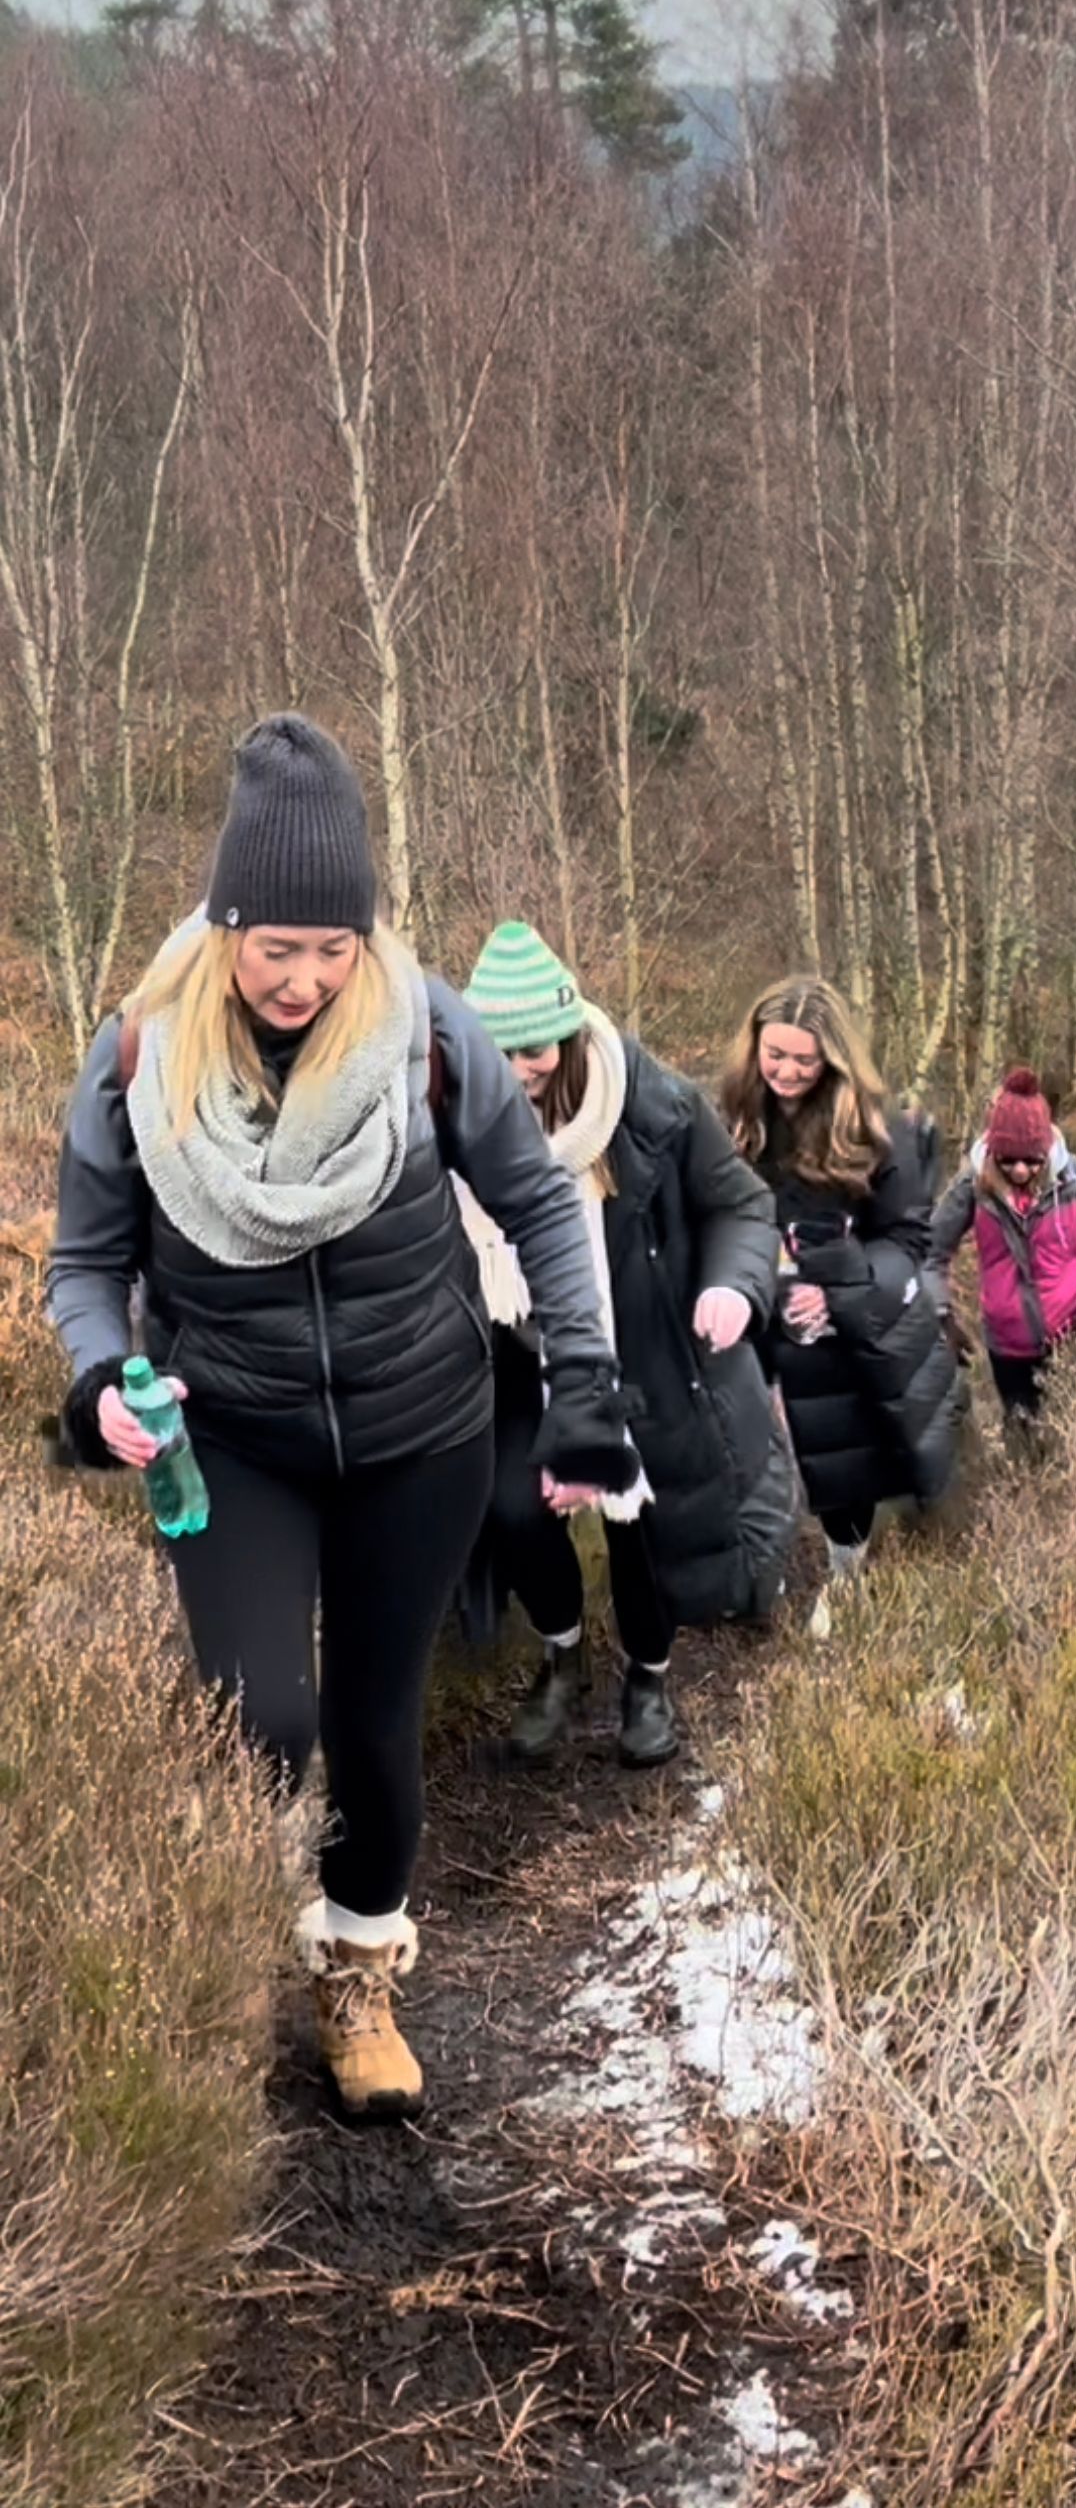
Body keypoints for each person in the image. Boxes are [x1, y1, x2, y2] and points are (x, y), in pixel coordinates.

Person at [46, 717, 634, 2124]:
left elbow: (545, 1201)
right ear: (227, 924)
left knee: (376, 1721)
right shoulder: (139, 1054)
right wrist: (97, 1384)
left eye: (336, 946)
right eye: (278, 948)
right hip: (233, 1437)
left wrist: (587, 1381)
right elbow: (85, 1264)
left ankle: (359, 1979)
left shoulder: (429, 1031)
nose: (308, 977)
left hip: (421, 1430)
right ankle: (224, 1941)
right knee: (261, 1714)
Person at [456, 921, 789, 1767]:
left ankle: (649, 1674)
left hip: (636, 1353)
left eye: (532, 1050)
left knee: (641, 1519)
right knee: (512, 1511)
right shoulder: (449, 1116)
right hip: (516, 1361)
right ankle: (562, 1651)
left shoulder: (652, 1106)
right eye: (497, 1052)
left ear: (566, 1035)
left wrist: (730, 1286)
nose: (517, 1071)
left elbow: (743, 1206)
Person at [722, 978, 959, 1642]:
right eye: (777, 1055)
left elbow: (907, 1242)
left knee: (839, 1457)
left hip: (835, 1324)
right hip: (749, 1312)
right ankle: (752, 1578)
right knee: (746, 1451)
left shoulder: (879, 1131)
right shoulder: (731, 1117)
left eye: (805, 1059)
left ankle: (844, 1572)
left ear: (833, 1057)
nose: (789, 1072)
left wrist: (838, 1290)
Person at [929, 1065, 1076, 1425]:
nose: (1021, 1170)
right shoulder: (971, 1187)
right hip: (1009, 1350)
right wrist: (940, 1314)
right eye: (1008, 1160)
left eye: (1032, 1160)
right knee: (1024, 1442)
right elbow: (928, 1251)